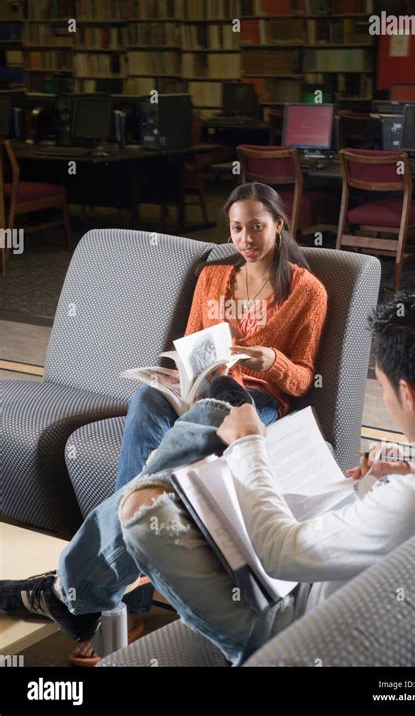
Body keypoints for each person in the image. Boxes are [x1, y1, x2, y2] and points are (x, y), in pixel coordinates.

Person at [2, 289, 415, 666]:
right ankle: (73, 590)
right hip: (331, 585)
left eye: (384, 388)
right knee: (200, 439)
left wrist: (250, 442)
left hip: (283, 618)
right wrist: (407, 473)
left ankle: (72, 591)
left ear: (408, 395)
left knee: (146, 500)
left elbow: (281, 553)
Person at [70, 180, 328, 663]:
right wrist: (174, 376)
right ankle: (125, 574)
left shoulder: (307, 291)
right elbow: (189, 345)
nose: (246, 238)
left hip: (254, 402)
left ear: (280, 226)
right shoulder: (212, 277)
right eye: (236, 228)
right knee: (148, 398)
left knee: (177, 445)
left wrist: (269, 358)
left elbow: (301, 381)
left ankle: (124, 603)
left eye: (257, 226)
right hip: (202, 390)